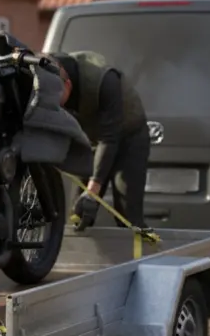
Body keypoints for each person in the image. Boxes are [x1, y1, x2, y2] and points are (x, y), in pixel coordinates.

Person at [48, 50, 151, 232]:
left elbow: (109, 139)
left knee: (127, 214)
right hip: (93, 140)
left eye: (57, 96)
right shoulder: (46, 80)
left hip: (128, 137)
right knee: (78, 215)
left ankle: (137, 256)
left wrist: (92, 192)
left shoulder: (105, 80)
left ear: (68, 85)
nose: (53, 102)